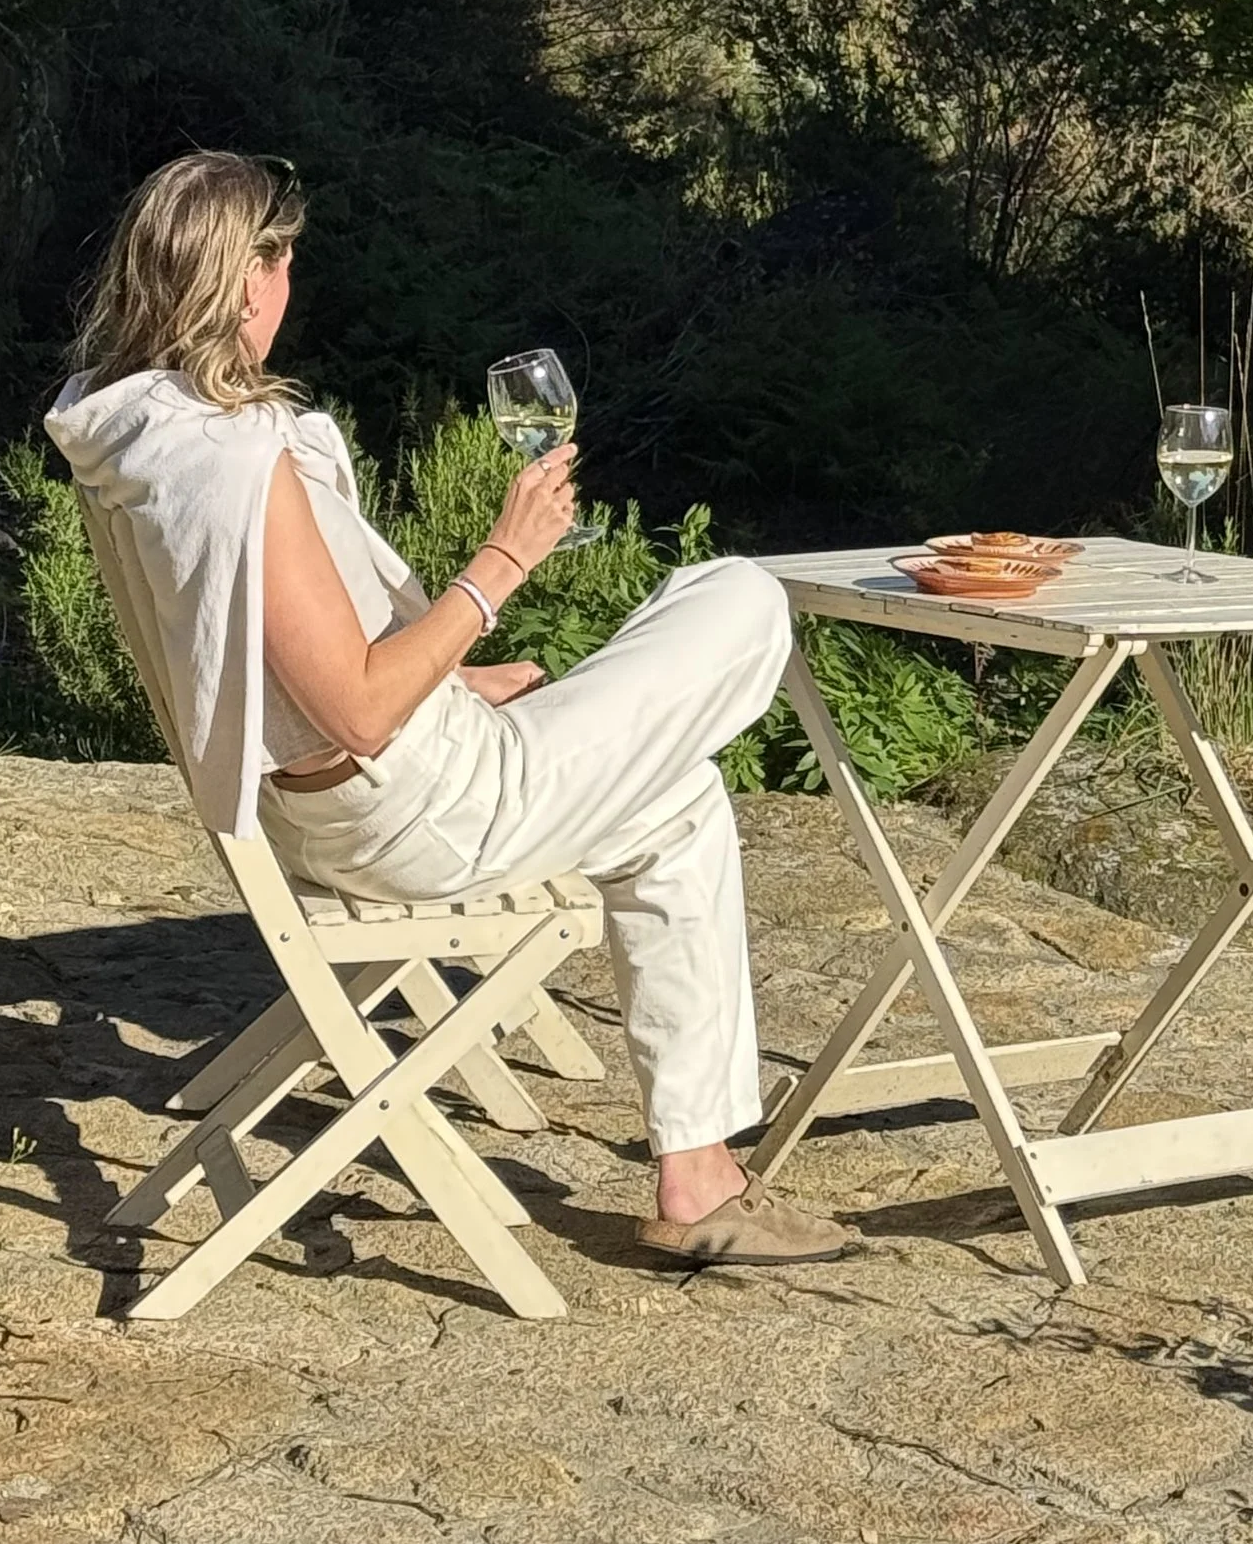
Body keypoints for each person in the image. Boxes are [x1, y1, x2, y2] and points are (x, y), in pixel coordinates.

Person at [47, 147, 851, 1267]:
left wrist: (453, 676)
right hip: (424, 806)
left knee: (676, 803)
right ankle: (697, 1171)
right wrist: (500, 566)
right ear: (246, 282)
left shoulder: (148, 436)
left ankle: (697, 1174)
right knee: (740, 594)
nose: (289, 289)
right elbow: (362, 714)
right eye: (283, 264)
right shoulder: (242, 464)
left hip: (353, 799)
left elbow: (288, 662)